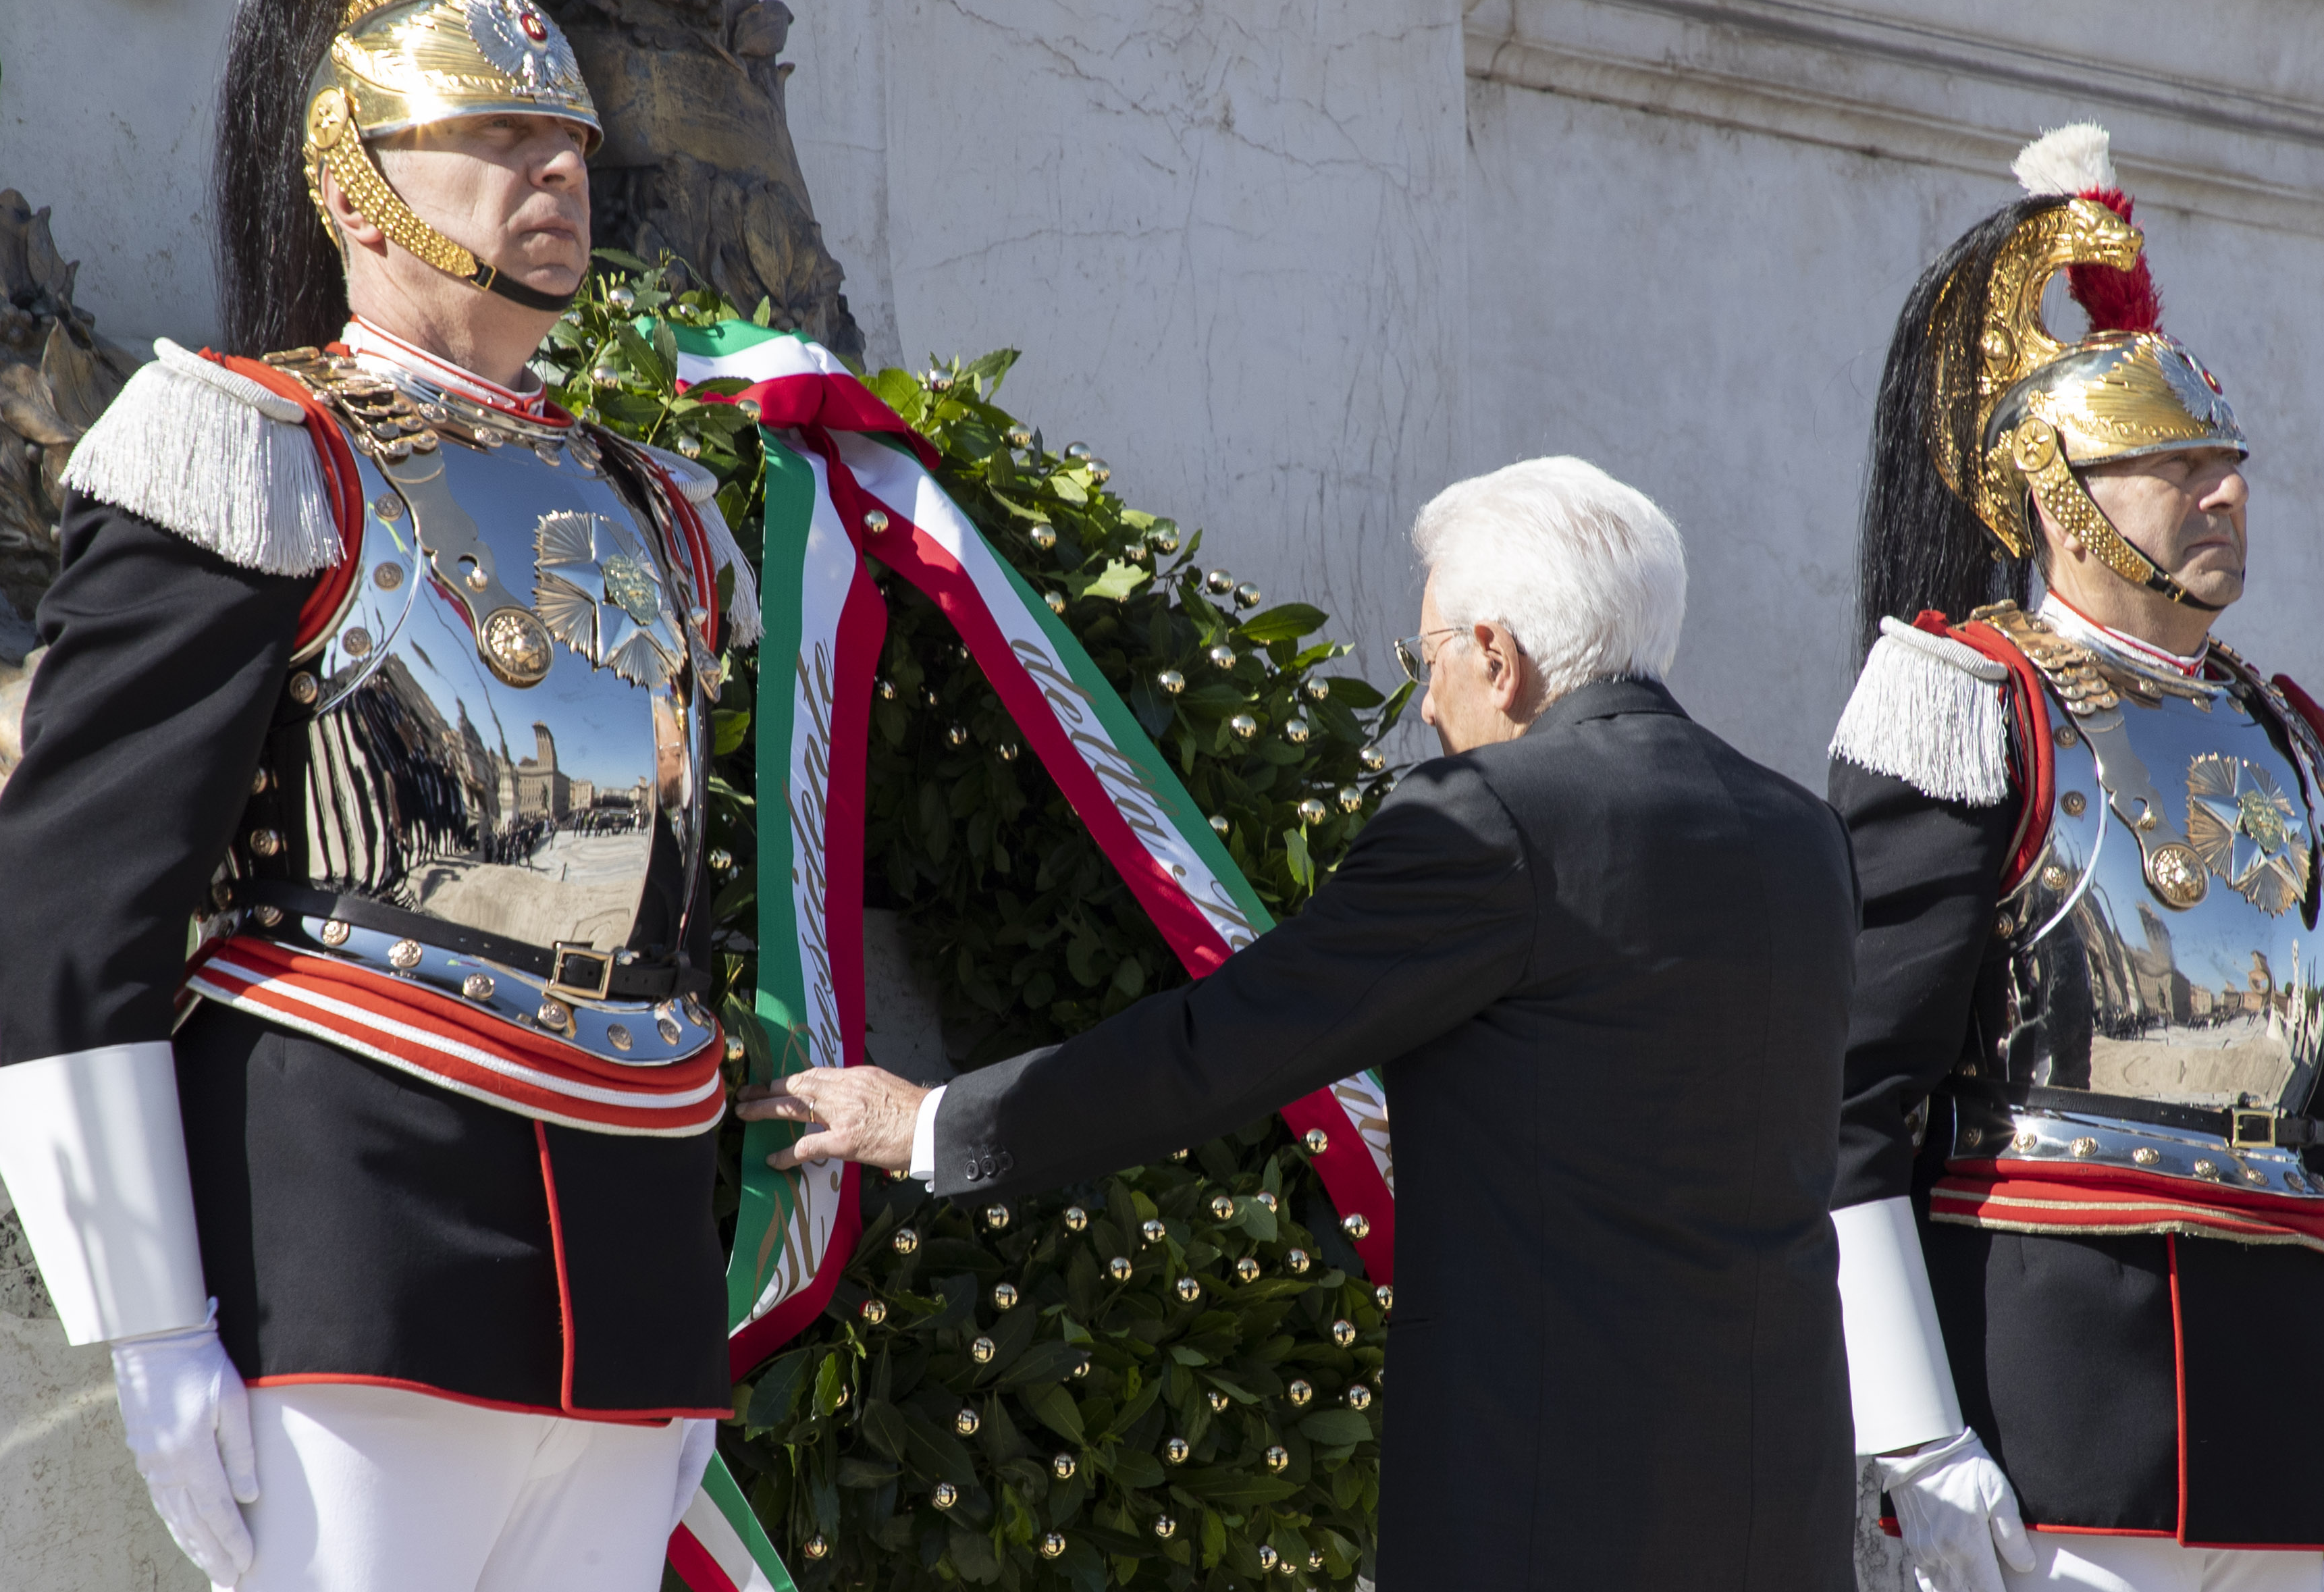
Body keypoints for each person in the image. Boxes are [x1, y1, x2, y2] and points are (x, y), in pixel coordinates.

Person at [739, 455, 1863, 1589]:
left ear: (1496, 654)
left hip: (1551, 1500)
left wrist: (937, 1120)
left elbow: (1225, 1045)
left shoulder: (1496, 822)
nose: (1428, 705)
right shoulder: (1802, 838)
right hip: (1783, 1497)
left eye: (1428, 661)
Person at [0, 0, 760, 1587]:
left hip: (624, 1247)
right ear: (349, 184)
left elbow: (670, 932)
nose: (557, 168)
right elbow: (76, 898)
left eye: (572, 141)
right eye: (493, 136)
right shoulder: (253, 449)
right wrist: (146, 1313)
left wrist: (681, 1299)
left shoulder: (652, 505)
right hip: (353, 1227)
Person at [1828, 123, 2324, 1592]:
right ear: (2057, 496)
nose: (2222, 492)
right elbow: (1848, 1094)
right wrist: (1908, 1432)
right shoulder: (1960, 702)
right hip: (2044, 1389)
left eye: (2227, 463)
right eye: (2171, 465)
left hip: (2279, 1417)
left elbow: (2314, 1099)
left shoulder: (2295, 737)